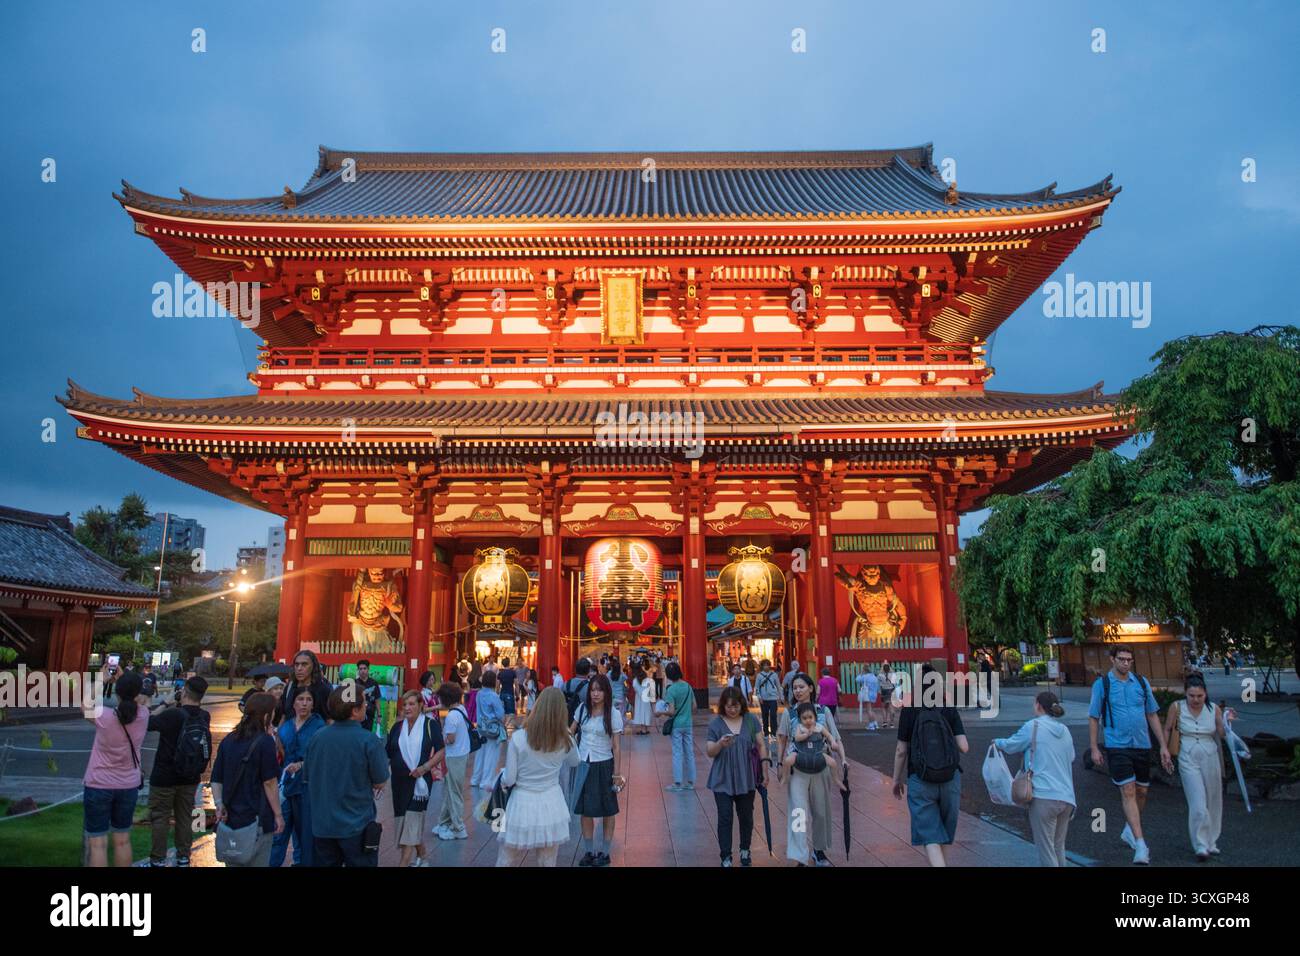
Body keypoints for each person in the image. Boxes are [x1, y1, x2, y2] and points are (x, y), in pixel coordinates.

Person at [1088, 644, 1171, 865]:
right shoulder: (1102, 685)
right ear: (1112, 660)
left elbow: (1152, 714)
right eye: (1122, 659)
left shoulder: (1141, 683)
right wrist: (1095, 747)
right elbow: (1094, 717)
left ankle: (1129, 829)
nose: (1126, 663)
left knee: (1142, 791)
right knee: (1128, 789)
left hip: (1142, 744)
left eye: (1129, 660)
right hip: (1117, 745)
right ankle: (1141, 844)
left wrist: (1163, 746)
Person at [303, 682, 390, 866]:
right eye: (364, 703)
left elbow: (308, 775)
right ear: (355, 710)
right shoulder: (368, 740)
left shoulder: (317, 737)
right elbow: (380, 779)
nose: (367, 705)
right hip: (356, 824)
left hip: (323, 824)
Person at [891, 664, 969, 867]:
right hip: (950, 778)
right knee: (943, 833)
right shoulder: (948, 708)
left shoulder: (909, 710)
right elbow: (964, 747)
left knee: (930, 835)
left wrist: (896, 779)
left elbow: (901, 750)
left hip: (920, 778)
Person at [493, 687, 580, 867]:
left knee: (507, 858)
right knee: (547, 861)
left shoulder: (518, 738)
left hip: (521, 802)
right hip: (552, 802)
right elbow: (575, 762)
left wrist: (500, 780)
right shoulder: (566, 739)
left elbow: (509, 779)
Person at [994, 691, 1076, 867]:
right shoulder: (1065, 731)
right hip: (1067, 797)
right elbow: (1071, 757)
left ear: (1038, 705)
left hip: (1044, 796)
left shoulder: (1034, 726)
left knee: (1046, 851)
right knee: (1058, 847)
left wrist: (997, 742)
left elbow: (1011, 745)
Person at [83, 667, 150, 867]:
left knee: (98, 844)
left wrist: (102, 679)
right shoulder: (144, 715)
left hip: (98, 784)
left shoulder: (104, 716)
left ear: (116, 692)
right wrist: (125, 680)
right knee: (122, 840)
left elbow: (86, 703)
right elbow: (141, 699)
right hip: (128, 786)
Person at [777, 672, 845, 866]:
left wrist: (843, 759)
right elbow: (782, 738)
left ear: (811, 688)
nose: (797, 691)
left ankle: (819, 850)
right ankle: (800, 854)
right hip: (797, 769)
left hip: (821, 766)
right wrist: (780, 763)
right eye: (794, 688)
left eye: (801, 687)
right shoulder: (789, 713)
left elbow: (835, 737)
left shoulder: (824, 712)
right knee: (798, 811)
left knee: (821, 811)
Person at [1163, 675, 1232, 861]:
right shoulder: (1177, 707)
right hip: (1187, 755)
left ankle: (1211, 841)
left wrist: (1228, 721)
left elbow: (1222, 733)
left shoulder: (1214, 709)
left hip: (1209, 754)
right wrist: (1165, 749)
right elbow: (1168, 728)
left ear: (1205, 694)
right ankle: (1200, 843)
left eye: (1199, 696)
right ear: (1185, 693)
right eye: (1191, 695)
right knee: (1198, 803)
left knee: (1213, 799)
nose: (1195, 700)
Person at [211, 692, 283, 867]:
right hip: (258, 817)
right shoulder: (265, 742)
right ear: (266, 715)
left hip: (231, 816)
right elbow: (269, 782)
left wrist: (219, 804)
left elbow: (216, 778)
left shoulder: (229, 739)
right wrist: (278, 815)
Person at [146, 676, 212, 867]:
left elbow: (148, 722)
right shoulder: (204, 716)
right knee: (185, 817)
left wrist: (165, 703)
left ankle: (157, 858)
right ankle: (183, 856)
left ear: (184, 692)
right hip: (190, 776)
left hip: (164, 775)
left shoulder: (172, 714)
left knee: (160, 818)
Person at [705, 685, 767, 867]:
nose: (732, 710)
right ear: (723, 705)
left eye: (736, 706)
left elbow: (761, 744)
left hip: (746, 777)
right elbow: (709, 751)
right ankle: (725, 855)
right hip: (722, 777)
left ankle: (745, 850)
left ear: (742, 705)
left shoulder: (750, 720)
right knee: (725, 817)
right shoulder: (716, 724)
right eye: (728, 706)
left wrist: (765, 771)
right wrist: (720, 744)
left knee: (746, 816)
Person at [570, 674, 625, 866]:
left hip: (604, 763)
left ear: (606, 692)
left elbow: (617, 746)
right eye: (592, 690)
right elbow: (571, 733)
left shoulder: (614, 714)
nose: (595, 694)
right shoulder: (582, 709)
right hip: (584, 763)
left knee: (607, 809)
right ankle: (589, 851)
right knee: (586, 810)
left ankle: (605, 851)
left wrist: (617, 773)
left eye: (599, 690)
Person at [386, 689, 445, 867]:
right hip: (399, 783)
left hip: (420, 782)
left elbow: (441, 750)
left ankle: (404, 863)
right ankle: (423, 855)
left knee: (412, 820)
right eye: (405, 704)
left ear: (421, 705)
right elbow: (388, 752)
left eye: (412, 704)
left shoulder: (430, 725)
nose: (407, 708)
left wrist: (425, 767)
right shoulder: (397, 727)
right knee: (406, 821)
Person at [271, 685, 326, 867]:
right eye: (300, 699)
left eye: (308, 700)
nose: (304, 703)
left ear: (313, 704)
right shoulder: (285, 727)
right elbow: (280, 755)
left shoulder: (319, 726)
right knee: (279, 833)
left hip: (307, 786)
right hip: (286, 786)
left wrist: (302, 764)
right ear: (293, 703)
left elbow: (322, 757)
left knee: (305, 837)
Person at [434, 681, 472, 839]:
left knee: (454, 792)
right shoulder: (461, 710)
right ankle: (443, 822)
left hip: (453, 756)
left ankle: (458, 827)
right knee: (451, 790)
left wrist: (441, 734)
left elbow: (450, 739)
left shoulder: (451, 716)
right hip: (462, 754)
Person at [785, 702, 847, 790]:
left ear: (815, 717)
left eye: (810, 717)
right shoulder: (800, 727)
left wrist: (833, 742)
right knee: (788, 760)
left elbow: (829, 735)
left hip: (817, 752)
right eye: (804, 718)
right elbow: (797, 738)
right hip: (801, 752)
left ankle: (836, 779)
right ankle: (785, 778)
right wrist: (806, 735)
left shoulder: (819, 727)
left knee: (833, 763)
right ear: (800, 719)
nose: (808, 720)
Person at [662, 661, 696, 792]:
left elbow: (670, 711)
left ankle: (677, 783)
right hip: (688, 724)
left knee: (677, 752)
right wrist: (686, 713)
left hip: (676, 725)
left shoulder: (671, 690)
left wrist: (660, 712)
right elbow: (694, 706)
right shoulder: (688, 686)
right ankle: (691, 782)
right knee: (689, 752)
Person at [472, 671, 506, 789]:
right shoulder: (493, 696)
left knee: (480, 754)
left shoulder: (479, 694)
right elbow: (500, 714)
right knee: (491, 756)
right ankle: (486, 781)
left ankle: (475, 779)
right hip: (492, 730)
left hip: (481, 728)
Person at [283, 650, 331, 724]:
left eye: (304, 664)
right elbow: (284, 716)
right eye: (296, 664)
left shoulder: (323, 690)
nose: (299, 668)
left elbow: (329, 719)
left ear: (313, 666)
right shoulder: (289, 687)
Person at [754, 660, 781, 739]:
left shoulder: (774, 675)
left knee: (773, 715)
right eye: (765, 665)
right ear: (762, 666)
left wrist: (780, 696)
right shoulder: (759, 675)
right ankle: (766, 733)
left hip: (773, 698)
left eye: (768, 665)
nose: (766, 667)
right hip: (763, 699)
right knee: (764, 715)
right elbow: (757, 687)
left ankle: (774, 732)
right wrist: (759, 697)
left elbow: (778, 686)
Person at [354, 659, 381, 733]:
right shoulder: (354, 683)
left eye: (364, 668)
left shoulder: (374, 683)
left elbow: (377, 700)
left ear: (368, 669)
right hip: (357, 715)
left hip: (370, 714)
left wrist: (379, 715)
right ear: (358, 670)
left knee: (367, 734)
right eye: (360, 669)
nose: (362, 671)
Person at [608, 659, 628, 727]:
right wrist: (621, 671)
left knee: (612, 713)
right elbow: (626, 679)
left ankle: (613, 727)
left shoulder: (609, 674)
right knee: (621, 713)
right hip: (621, 697)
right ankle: (621, 729)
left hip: (612, 696)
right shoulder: (622, 675)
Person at [878, 663, 897, 729]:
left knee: (884, 707)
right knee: (890, 706)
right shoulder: (893, 675)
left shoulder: (880, 675)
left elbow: (879, 684)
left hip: (884, 691)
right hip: (891, 691)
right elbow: (895, 684)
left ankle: (884, 722)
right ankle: (892, 723)